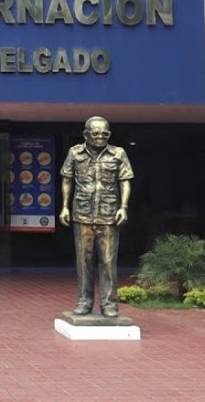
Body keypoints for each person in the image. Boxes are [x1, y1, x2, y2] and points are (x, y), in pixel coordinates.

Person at [59, 116, 133, 318]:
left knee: (108, 261)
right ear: (86, 134)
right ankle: (84, 301)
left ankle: (109, 304)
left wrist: (124, 207)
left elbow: (125, 181)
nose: (101, 137)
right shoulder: (75, 152)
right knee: (84, 261)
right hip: (82, 214)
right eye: (96, 133)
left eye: (105, 134)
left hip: (109, 215)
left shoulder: (118, 153)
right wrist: (64, 207)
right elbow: (67, 179)